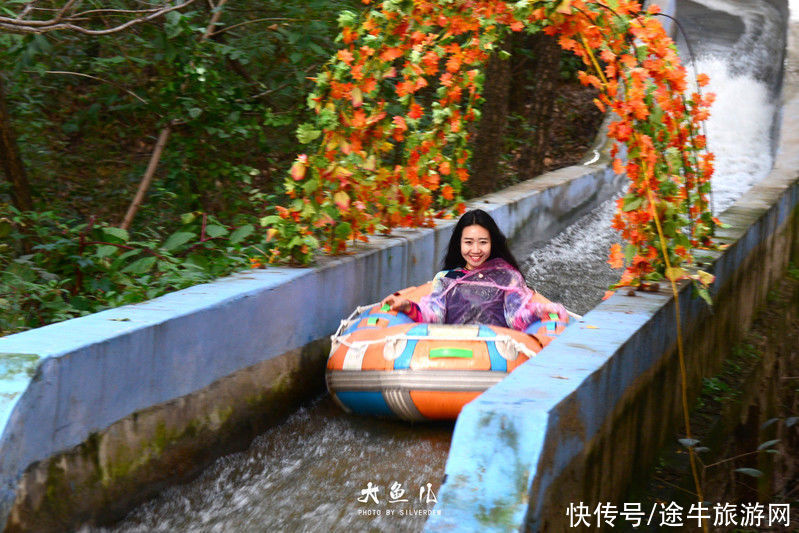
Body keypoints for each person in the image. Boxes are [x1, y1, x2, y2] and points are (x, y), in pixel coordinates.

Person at [382, 209, 568, 331]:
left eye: (483, 242)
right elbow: (433, 316)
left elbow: (516, 317)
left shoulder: (507, 277)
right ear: (459, 243)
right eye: (469, 243)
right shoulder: (446, 279)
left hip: (499, 352)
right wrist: (406, 306)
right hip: (450, 350)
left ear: (492, 243)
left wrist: (540, 310)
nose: (476, 250)